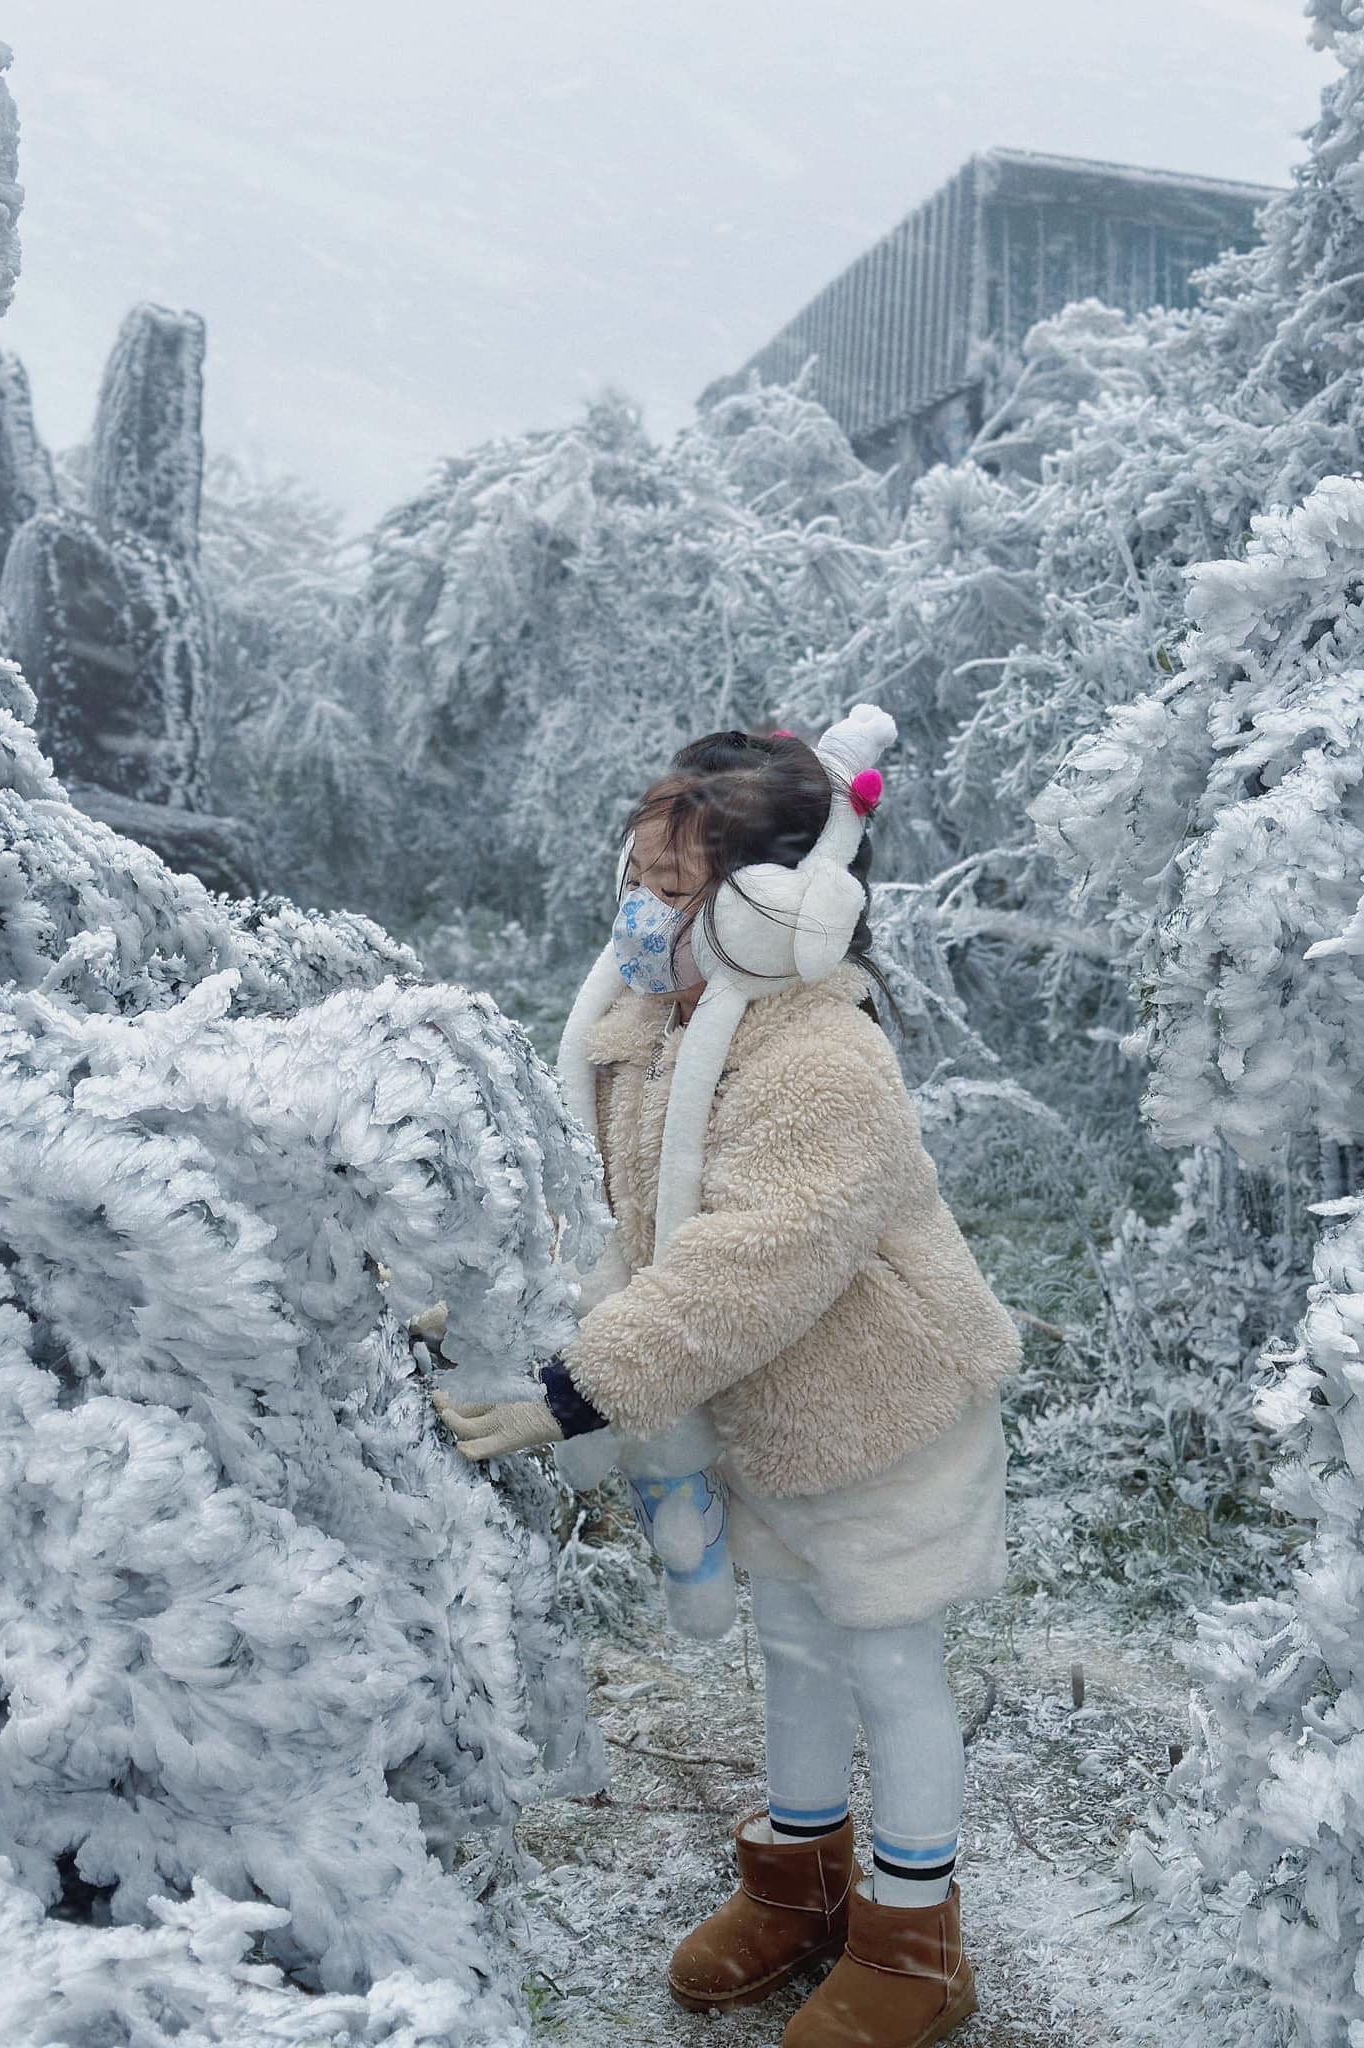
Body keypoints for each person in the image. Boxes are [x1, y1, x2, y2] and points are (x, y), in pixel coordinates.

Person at [425, 716, 1022, 2048]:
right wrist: (479, 1304)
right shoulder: (651, 1029)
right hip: (769, 1422)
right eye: (633, 881)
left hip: (885, 1417)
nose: (641, 915)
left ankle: (919, 1941)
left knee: (890, 1666)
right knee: (798, 1651)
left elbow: (750, 1263)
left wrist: (574, 1390)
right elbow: (611, 1218)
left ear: (778, 909)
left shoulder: (821, 1061)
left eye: (676, 892)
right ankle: (800, 1884)